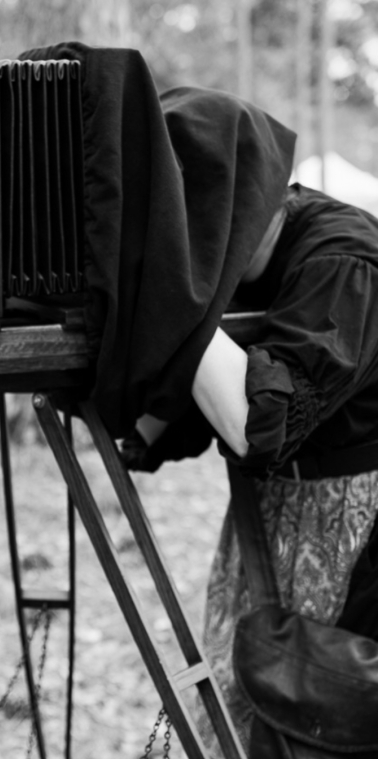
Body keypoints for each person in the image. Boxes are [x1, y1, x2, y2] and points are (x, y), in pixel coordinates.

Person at [124, 175, 378, 753]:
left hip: (347, 522)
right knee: (239, 687)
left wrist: (190, 298)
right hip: (267, 517)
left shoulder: (344, 260)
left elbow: (261, 426)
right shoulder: (254, 260)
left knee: (318, 709)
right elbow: (170, 416)